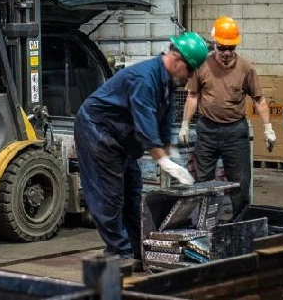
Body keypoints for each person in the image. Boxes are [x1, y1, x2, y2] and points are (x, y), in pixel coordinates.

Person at [73, 31, 208, 267]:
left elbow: (163, 120)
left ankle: (137, 249)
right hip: (98, 131)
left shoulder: (167, 81)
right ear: (177, 60)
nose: (191, 77)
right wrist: (164, 163)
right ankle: (119, 252)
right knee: (110, 196)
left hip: (121, 136)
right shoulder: (145, 79)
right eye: (190, 70)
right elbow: (146, 127)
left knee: (132, 193)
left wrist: (170, 151)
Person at [178, 16, 276, 220]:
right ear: (214, 44)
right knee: (204, 181)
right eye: (221, 48)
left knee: (240, 182)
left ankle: (240, 223)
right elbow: (193, 96)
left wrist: (268, 128)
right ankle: (204, 223)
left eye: (230, 48)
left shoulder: (246, 68)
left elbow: (259, 99)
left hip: (235, 132)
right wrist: (185, 125)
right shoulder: (201, 65)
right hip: (207, 130)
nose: (226, 53)